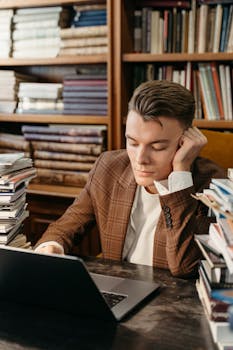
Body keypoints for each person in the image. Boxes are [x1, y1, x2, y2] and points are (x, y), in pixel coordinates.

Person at [35, 80, 225, 277]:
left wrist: (180, 174)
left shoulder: (214, 186)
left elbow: (185, 267)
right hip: (119, 291)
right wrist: (52, 246)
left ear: (185, 142)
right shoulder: (109, 167)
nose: (140, 159)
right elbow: (68, 224)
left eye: (158, 147)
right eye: (133, 143)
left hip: (172, 302)